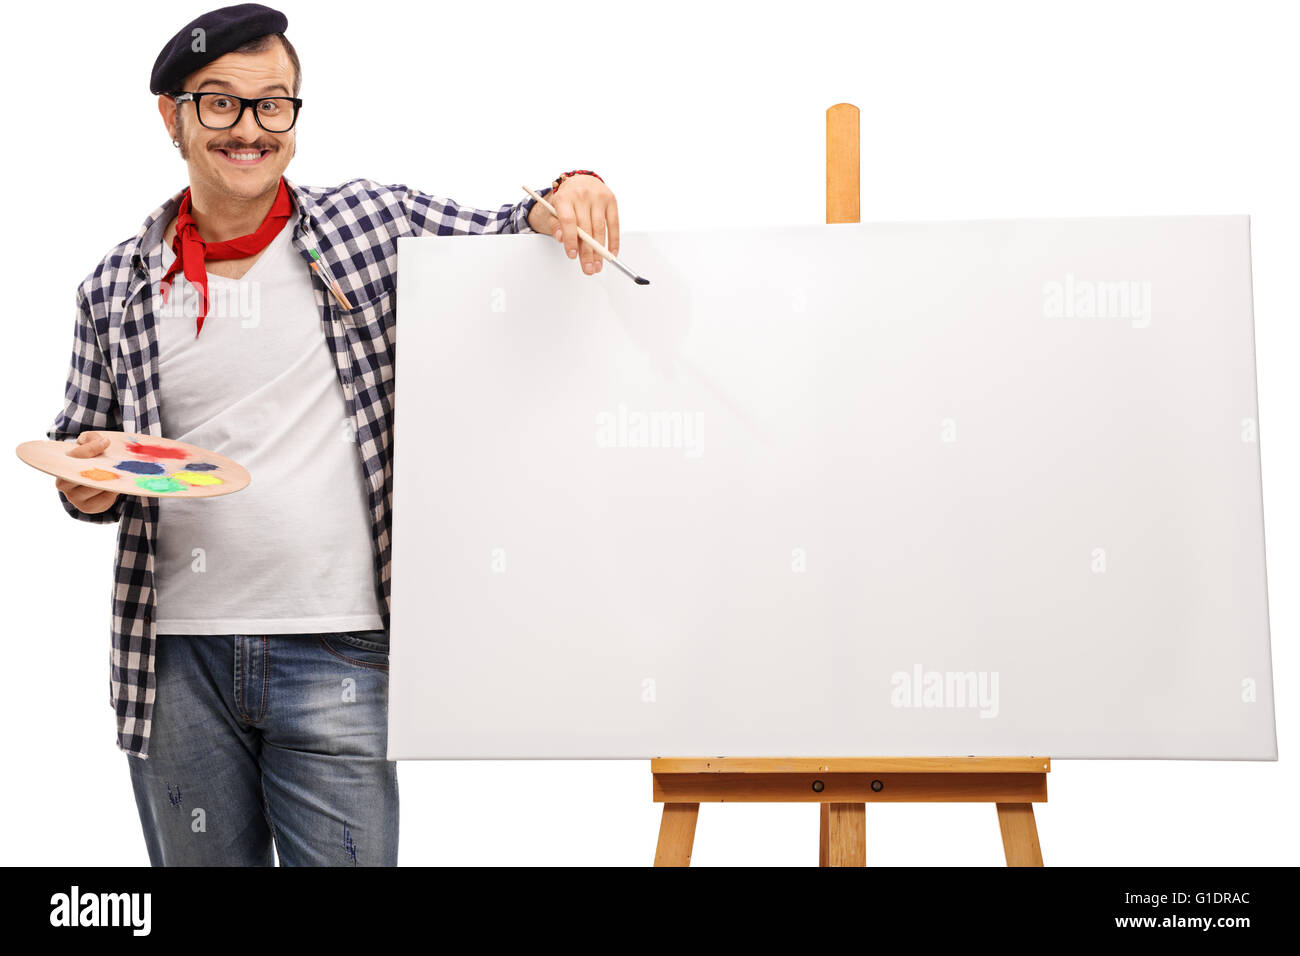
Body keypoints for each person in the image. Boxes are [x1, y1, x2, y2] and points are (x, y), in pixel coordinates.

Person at [48, 2, 619, 866]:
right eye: (221, 103)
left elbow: (509, 229)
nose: (250, 128)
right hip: (173, 663)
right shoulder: (115, 287)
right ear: (172, 117)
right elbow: (81, 447)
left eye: (273, 103)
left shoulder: (368, 226)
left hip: (339, 649)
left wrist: (571, 187)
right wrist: (82, 484)